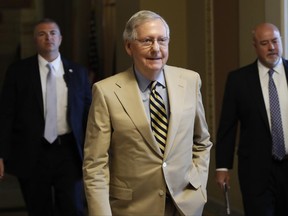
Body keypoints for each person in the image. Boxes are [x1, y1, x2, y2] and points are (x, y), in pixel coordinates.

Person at [83, 10, 212, 216]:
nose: (156, 49)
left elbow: (202, 141)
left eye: (162, 40)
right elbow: (95, 165)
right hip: (132, 209)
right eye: (147, 41)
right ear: (128, 46)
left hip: (185, 206)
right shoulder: (105, 92)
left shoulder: (190, 81)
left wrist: (198, 185)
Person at [0, 18, 92, 216]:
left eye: (52, 33)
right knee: (38, 209)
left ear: (60, 38)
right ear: (35, 40)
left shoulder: (78, 72)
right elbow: (6, 114)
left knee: (73, 208)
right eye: (42, 34)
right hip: (32, 152)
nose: (48, 37)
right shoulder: (19, 72)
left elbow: (88, 115)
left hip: (68, 151)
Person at [215, 22, 288, 215]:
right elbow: (227, 126)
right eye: (264, 43)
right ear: (255, 46)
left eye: (275, 41)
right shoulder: (238, 80)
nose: (271, 47)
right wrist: (223, 166)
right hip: (256, 170)